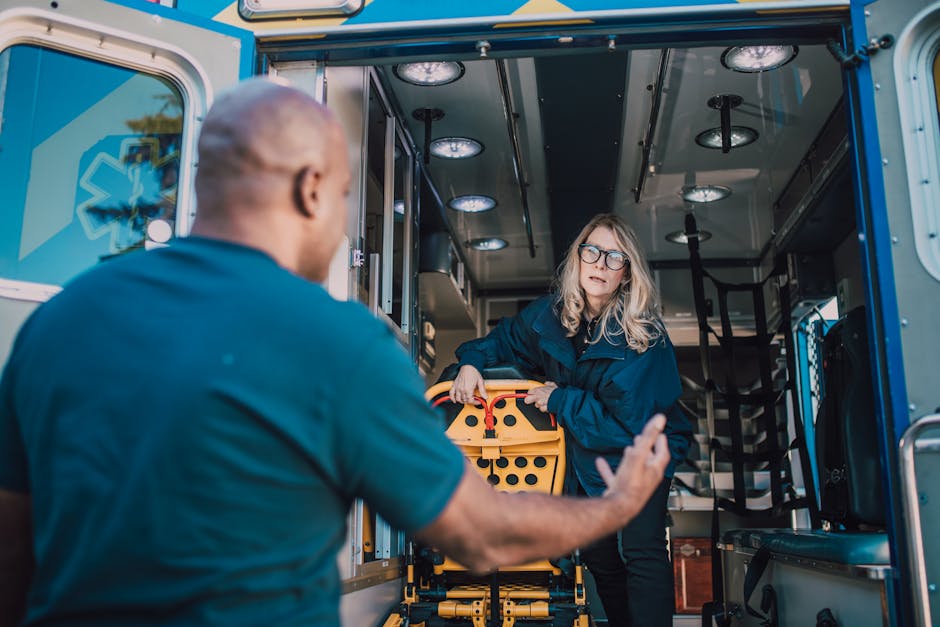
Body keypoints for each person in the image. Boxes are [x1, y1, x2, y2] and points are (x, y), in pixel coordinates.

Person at [0, 78, 672, 627]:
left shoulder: (60, 323)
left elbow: (12, 553)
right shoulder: (341, 346)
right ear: (310, 190)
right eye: (346, 197)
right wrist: (614, 508)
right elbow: (480, 533)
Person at [449, 213, 693, 627]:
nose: (600, 264)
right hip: (584, 448)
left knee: (641, 547)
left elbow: (627, 429)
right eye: (592, 251)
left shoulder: (641, 336)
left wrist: (561, 399)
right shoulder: (552, 315)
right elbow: (503, 341)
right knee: (597, 552)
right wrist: (471, 362)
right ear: (578, 258)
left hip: (642, 450)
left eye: (615, 258)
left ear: (627, 272)